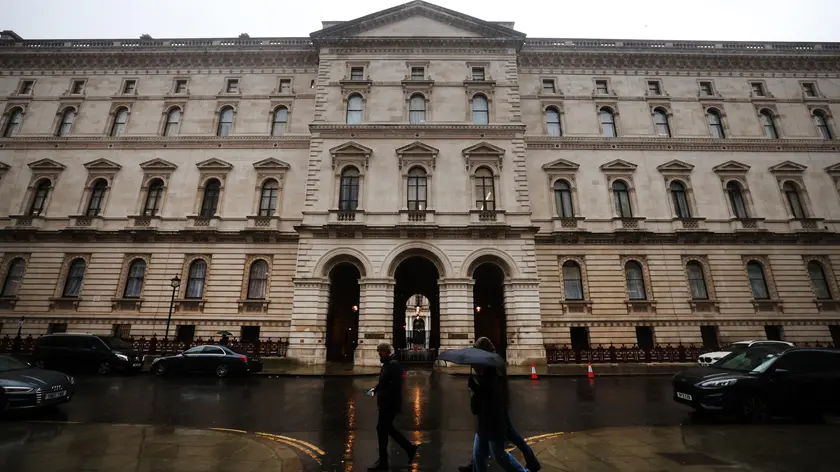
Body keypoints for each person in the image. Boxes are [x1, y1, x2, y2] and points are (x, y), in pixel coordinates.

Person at [466, 337, 539, 472]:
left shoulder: (494, 374)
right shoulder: (487, 372)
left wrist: (476, 388)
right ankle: (530, 458)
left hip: (493, 423)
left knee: (500, 457)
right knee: (479, 456)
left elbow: (491, 398)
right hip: (485, 422)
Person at [367, 342, 417, 471]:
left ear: (386, 352)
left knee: (382, 429)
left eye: (380, 351)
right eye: (378, 352)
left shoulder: (393, 365)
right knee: (386, 429)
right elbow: (383, 382)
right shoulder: (387, 364)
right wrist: (374, 390)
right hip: (385, 403)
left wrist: (383, 393)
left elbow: (395, 386)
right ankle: (408, 448)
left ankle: (384, 462)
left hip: (389, 404)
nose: (379, 354)